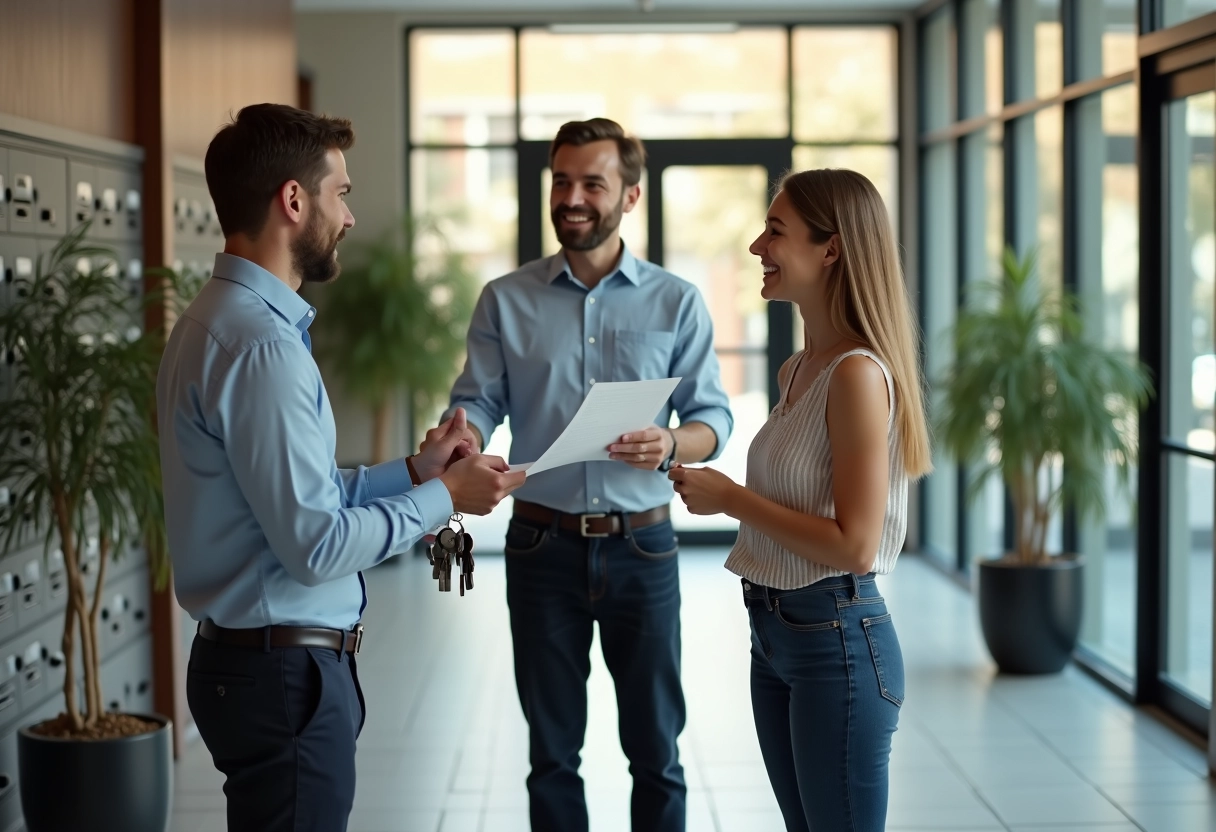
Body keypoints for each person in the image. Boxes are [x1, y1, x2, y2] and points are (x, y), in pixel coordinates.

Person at [156, 103, 525, 832]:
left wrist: (418, 473)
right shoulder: (260, 346)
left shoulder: (214, 321)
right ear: (294, 201)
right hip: (281, 677)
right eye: (341, 193)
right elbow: (316, 544)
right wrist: (446, 495)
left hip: (254, 667)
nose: (349, 217)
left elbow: (300, 501)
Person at [432, 118, 732, 832]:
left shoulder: (677, 301)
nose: (572, 197)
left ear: (629, 195)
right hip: (542, 547)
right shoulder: (505, 299)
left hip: (644, 549)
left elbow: (713, 421)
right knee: (552, 753)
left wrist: (668, 441)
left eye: (592, 183)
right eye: (561, 181)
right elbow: (477, 399)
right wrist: (463, 436)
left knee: (656, 750)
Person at [668, 169, 932, 832]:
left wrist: (730, 496)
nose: (757, 246)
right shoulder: (799, 369)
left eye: (776, 231)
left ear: (831, 250)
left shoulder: (856, 376)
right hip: (775, 634)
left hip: (836, 641)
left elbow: (854, 544)